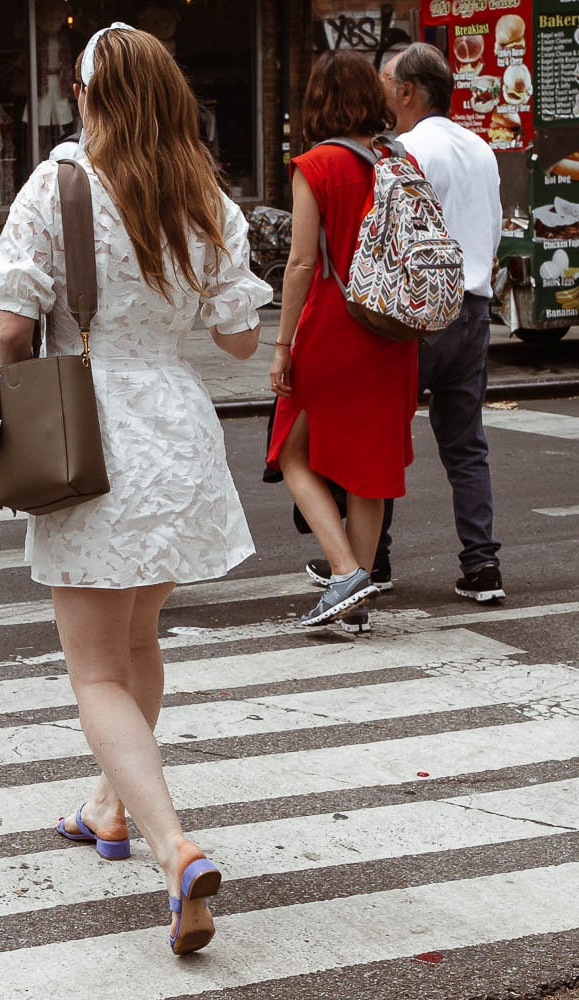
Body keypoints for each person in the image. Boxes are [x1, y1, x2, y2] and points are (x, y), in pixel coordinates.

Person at [0, 24, 271, 955]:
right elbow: (237, 340)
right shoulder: (205, 195)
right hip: (177, 431)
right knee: (140, 638)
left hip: (90, 431)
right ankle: (108, 807)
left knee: (96, 669)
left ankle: (171, 846)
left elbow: (10, 334)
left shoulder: (58, 184)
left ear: (91, 96)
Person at [266, 49, 418, 630]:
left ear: (318, 99)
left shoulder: (318, 165)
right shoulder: (398, 159)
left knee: (292, 452)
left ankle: (344, 572)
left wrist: (282, 344)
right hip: (394, 329)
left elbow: (302, 263)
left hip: (335, 323)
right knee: (369, 470)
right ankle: (355, 597)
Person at [376, 42, 505, 602]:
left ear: (407, 91)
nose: (379, 87)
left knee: (382, 437)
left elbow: (387, 236)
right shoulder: (480, 148)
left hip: (418, 314)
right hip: (473, 307)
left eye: (385, 79)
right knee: (465, 444)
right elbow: (494, 232)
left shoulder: (402, 150)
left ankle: (372, 561)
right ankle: (481, 564)